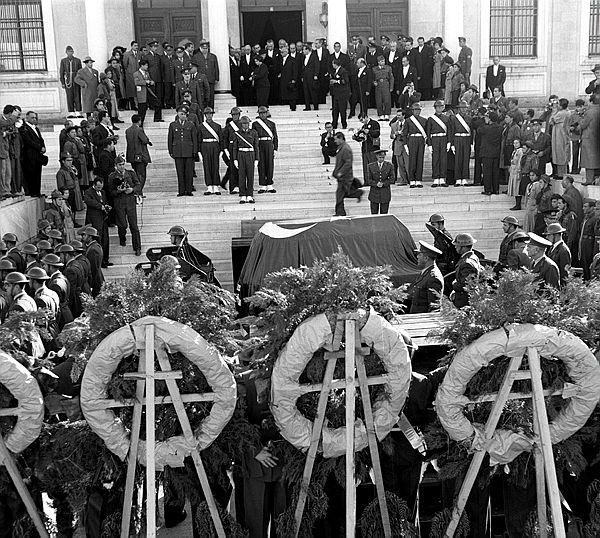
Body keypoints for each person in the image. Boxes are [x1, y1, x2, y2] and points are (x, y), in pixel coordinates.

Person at [108, 156, 142, 256]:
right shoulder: (112, 176)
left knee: (134, 225)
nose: (122, 167)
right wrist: (119, 191)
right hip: (119, 203)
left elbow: (138, 185)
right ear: (116, 165)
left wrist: (132, 190)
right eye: (120, 165)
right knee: (122, 224)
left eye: (123, 164)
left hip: (130, 202)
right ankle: (122, 238)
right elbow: (111, 192)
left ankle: (137, 247)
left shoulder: (130, 173)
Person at [168, 105, 198, 197]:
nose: (183, 116)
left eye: (185, 114)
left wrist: (195, 151)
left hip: (189, 151)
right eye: (181, 114)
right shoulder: (173, 125)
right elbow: (170, 139)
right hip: (178, 151)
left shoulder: (191, 124)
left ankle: (189, 190)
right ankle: (181, 190)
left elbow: (194, 139)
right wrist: (171, 151)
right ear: (178, 114)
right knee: (180, 172)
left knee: (189, 172)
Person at [407, 240, 444, 313]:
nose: (417, 257)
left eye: (420, 255)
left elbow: (434, 307)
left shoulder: (433, 278)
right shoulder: (425, 273)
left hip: (423, 318)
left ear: (426, 258)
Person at [332, 132, 363, 216]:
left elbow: (348, 163)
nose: (335, 141)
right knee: (342, 193)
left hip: (345, 176)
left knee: (340, 194)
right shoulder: (341, 148)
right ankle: (340, 212)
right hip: (341, 176)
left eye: (336, 139)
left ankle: (340, 212)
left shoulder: (345, 149)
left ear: (341, 138)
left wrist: (341, 172)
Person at [83, 178, 111, 268]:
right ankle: (100, 261)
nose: (100, 189)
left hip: (103, 219)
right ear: (94, 185)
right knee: (98, 240)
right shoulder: (88, 192)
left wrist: (106, 206)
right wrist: (100, 206)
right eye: (98, 187)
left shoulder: (103, 192)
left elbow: (104, 201)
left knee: (105, 240)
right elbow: (89, 201)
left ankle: (106, 259)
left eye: (101, 187)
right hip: (94, 220)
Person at [451, 233, 481, 308]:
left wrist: (454, 284)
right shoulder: (473, 257)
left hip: (464, 300)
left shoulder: (466, 263)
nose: (455, 247)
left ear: (463, 247)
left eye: (457, 245)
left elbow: (466, 285)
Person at [233, 116, 259, 204]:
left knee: (250, 175)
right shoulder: (237, 133)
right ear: (241, 124)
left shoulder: (254, 133)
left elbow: (256, 146)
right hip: (241, 154)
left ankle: (250, 195)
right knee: (242, 175)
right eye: (243, 123)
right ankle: (243, 195)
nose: (245, 125)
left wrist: (257, 159)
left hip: (250, 154)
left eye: (247, 123)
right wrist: (235, 159)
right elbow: (235, 147)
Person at [253, 107, 278, 195]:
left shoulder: (272, 124)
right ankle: (263, 185)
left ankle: (270, 184)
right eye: (261, 113)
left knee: (270, 164)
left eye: (264, 113)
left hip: (269, 144)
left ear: (267, 113)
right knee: (261, 165)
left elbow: (275, 137)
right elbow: (254, 137)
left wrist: (275, 148)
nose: (262, 114)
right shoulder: (255, 124)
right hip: (260, 144)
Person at [198, 107, 223, 195]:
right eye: (207, 114)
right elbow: (199, 140)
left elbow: (221, 139)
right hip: (205, 146)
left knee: (215, 165)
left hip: (215, 146)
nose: (209, 115)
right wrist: (199, 152)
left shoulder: (217, 126)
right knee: (207, 166)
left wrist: (221, 150)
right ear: (205, 115)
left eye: (210, 114)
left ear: (212, 115)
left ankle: (215, 186)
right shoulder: (201, 126)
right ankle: (209, 186)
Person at [402, 102, 427, 188]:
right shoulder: (408, 120)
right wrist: (405, 145)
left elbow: (426, 133)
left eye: (419, 110)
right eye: (415, 110)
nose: (417, 111)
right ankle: (412, 180)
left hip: (421, 140)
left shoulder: (424, 120)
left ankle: (418, 180)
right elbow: (404, 134)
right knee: (412, 161)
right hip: (412, 140)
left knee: (420, 160)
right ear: (412, 111)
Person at [125, 114, 152, 195]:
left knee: (136, 174)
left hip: (131, 155)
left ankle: (137, 191)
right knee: (141, 175)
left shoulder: (128, 130)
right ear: (139, 121)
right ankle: (138, 191)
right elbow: (145, 140)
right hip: (140, 155)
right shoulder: (139, 130)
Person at [478, 111, 503, 195]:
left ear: (490, 119)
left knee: (487, 172)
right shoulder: (500, 128)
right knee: (495, 172)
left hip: (487, 153)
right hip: (496, 153)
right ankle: (496, 189)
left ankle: (488, 189)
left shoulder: (486, 128)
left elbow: (479, 130)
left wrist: (485, 122)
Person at [577, 92, 600, 185]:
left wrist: (580, 117)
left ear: (591, 102)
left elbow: (583, 124)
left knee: (589, 161)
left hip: (589, 139)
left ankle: (589, 180)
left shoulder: (589, 112)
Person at [426, 99, 449, 187]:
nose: (440, 108)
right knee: (435, 159)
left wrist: (449, 142)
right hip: (435, 139)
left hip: (444, 139)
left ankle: (442, 178)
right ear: (435, 108)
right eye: (438, 106)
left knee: (443, 159)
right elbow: (428, 132)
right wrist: (429, 144)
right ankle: (436, 178)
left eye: (441, 106)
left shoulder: (447, 118)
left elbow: (449, 131)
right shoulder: (431, 119)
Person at [449, 101, 472, 186]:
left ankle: (464, 178)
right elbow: (451, 131)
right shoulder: (454, 118)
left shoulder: (470, 118)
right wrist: (452, 144)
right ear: (459, 109)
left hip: (466, 139)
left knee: (466, 159)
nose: (463, 109)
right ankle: (458, 179)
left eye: (465, 108)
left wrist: (471, 142)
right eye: (462, 108)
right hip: (457, 139)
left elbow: (472, 131)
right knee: (458, 159)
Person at [193, 39, 219, 108]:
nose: (205, 50)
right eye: (203, 48)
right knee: (201, 95)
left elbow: (216, 67)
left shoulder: (213, 56)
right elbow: (194, 68)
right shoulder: (196, 56)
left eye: (206, 48)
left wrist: (217, 78)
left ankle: (211, 109)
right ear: (200, 48)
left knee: (211, 95)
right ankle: (202, 109)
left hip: (211, 78)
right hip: (200, 79)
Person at [366, 149, 394, 214]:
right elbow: (369, 179)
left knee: (384, 214)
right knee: (374, 213)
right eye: (380, 157)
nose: (381, 159)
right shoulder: (371, 166)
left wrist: (384, 183)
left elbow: (392, 178)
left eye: (383, 157)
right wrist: (376, 184)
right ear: (376, 157)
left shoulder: (389, 166)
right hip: (374, 193)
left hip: (385, 193)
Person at [549, 98, 571, 179]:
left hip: (559, 135)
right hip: (563, 134)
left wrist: (554, 110)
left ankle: (561, 174)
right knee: (563, 153)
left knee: (560, 153)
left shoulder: (561, 113)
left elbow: (551, 121)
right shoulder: (568, 112)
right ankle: (561, 173)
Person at [142, 39, 164, 122]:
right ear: (150, 47)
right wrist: (148, 79)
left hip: (158, 80)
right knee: (152, 98)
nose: (155, 48)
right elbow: (145, 69)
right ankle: (152, 110)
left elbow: (161, 68)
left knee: (159, 98)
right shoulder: (146, 56)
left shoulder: (158, 56)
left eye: (156, 47)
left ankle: (158, 117)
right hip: (151, 80)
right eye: (154, 47)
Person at [544, 222, 571, 286]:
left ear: (555, 235)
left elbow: (564, 273)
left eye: (549, 235)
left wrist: (562, 288)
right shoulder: (552, 247)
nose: (547, 237)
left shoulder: (563, 250)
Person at [80, 226, 105, 296]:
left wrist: (91, 284)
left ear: (90, 237)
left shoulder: (93, 249)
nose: (83, 237)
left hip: (96, 282)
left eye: (85, 235)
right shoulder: (93, 247)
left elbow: (93, 269)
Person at [357, 113, 381, 184]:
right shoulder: (363, 126)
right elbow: (362, 138)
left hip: (373, 148)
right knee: (366, 166)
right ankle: (367, 181)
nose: (362, 121)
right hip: (365, 148)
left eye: (362, 120)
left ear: (366, 117)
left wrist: (369, 131)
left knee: (373, 165)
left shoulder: (374, 123)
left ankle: (374, 181)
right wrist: (357, 136)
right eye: (360, 120)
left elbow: (377, 133)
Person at [60, 46, 83, 115]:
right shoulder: (63, 61)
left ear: (73, 52)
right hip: (68, 81)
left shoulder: (77, 60)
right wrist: (63, 82)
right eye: (68, 51)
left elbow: (80, 72)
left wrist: (81, 82)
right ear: (66, 52)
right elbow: (61, 72)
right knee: (69, 96)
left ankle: (78, 111)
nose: (70, 53)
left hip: (76, 80)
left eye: (71, 51)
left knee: (77, 96)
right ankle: (71, 111)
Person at [578, 199, 597, 280]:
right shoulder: (585, 218)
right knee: (584, 264)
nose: (583, 208)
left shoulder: (594, 219)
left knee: (589, 265)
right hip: (583, 245)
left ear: (592, 208)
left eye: (586, 206)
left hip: (589, 245)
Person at [330, 57, 351, 129]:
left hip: (342, 94)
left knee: (342, 110)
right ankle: (334, 124)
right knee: (335, 110)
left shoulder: (343, 71)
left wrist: (336, 81)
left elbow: (345, 81)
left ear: (336, 64)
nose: (332, 65)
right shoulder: (335, 71)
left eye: (333, 63)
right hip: (336, 93)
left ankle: (344, 124)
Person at [566, 99, 585, 175]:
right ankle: (574, 169)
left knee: (583, 154)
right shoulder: (572, 115)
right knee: (575, 153)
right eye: (578, 107)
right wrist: (572, 128)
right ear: (576, 107)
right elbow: (568, 126)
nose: (580, 108)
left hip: (583, 136)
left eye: (581, 106)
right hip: (575, 137)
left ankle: (580, 168)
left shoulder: (586, 114)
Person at [133, 59, 155, 127]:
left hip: (148, 91)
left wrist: (151, 82)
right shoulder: (136, 73)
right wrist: (145, 82)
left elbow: (150, 79)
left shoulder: (147, 73)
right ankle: (140, 123)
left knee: (157, 103)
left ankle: (157, 118)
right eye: (145, 65)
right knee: (142, 110)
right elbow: (136, 82)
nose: (147, 67)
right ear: (141, 65)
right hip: (141, 93)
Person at [390, 109, 409, 185]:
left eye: (399, 115)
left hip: (406, 146)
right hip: (397, 146)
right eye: (397, 115)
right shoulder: (393, 125)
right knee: (400, 164)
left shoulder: (408, 123)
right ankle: (403, 180)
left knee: (408, 164)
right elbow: (391, 136)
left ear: (403, 116)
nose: (397, 117)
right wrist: (395, 134)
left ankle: (410, 179)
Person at [372, 55, 394, 120]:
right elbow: (372, 78)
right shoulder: (374, 69)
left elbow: (391, 78)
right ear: (378, 62)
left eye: (384, 61)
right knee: (379, 100)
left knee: (387, 100)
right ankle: (380, 114)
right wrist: (373, 82)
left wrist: (391, 87)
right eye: (381, 61)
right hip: (378, 85)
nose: (383, 62)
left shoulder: (388, 68)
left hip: (386, 84)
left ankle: (387, 113)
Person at [123, 41, 142, 110]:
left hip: (138, 74)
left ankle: (139, 105)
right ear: (131, 46)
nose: (136, 47)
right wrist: (129, 71)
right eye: (135, 46)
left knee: (139, 90)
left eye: (137, 45)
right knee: (131, 90)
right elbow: (125, 65)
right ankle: (133, 105)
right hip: (130, 75)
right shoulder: (127, 54)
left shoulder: (140, 54)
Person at [279, 46, 298, 111]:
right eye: (281, 52)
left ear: (286, 52)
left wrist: (294, 79)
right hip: (284, 79)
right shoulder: (281, 60)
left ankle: (293, 107)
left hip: (290, 79)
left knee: (291, 94)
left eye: (282, 52)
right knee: (285, 94)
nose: (281, 54)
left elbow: (295, 70)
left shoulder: (292, 59)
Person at [301, 45, 319, 111]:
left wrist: (316, 75)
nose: (303, 51)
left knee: (313, 92)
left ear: (308, 50)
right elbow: (303, 67)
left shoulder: (314, 56)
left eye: (304, 49)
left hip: (311, 77)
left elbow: (317, 66)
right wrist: (302, 76)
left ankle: (315, 106)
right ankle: (307, 106)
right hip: (305, 77)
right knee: (306, 92)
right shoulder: (304, 57)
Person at [508, 139, 524, 208]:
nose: (515, 144)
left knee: (517, 188)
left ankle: (518, 204)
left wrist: (519, 171)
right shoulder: (514, 151)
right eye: (514, 143)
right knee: (514, 188)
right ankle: (516, 204)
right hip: (513, 171)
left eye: (517, 143)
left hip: (517, 171)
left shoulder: (520, 151)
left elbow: (519, 162)